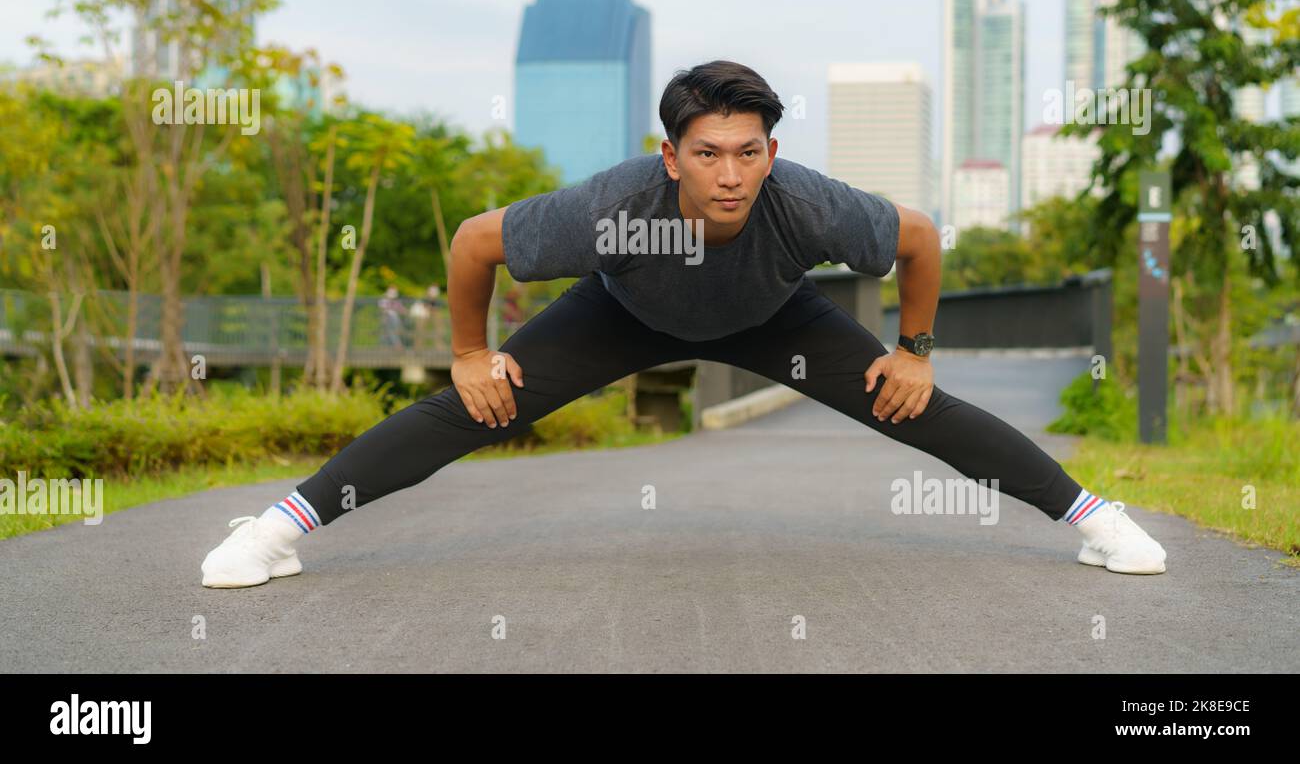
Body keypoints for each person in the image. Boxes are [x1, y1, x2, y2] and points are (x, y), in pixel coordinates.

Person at [201, 60, 1167, 588]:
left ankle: (1095, 518)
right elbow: (470, 241)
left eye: (749, 152)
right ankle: (278, 528)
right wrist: (466, 351)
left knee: (917, 406)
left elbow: (918, 237)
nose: (731, 174)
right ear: (671, 157)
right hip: (624, 314)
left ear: (772, 152)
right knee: (476, 406)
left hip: (769, 316)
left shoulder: (805, 202)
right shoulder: (607, 205)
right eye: (708, 153)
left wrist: (914, 353)